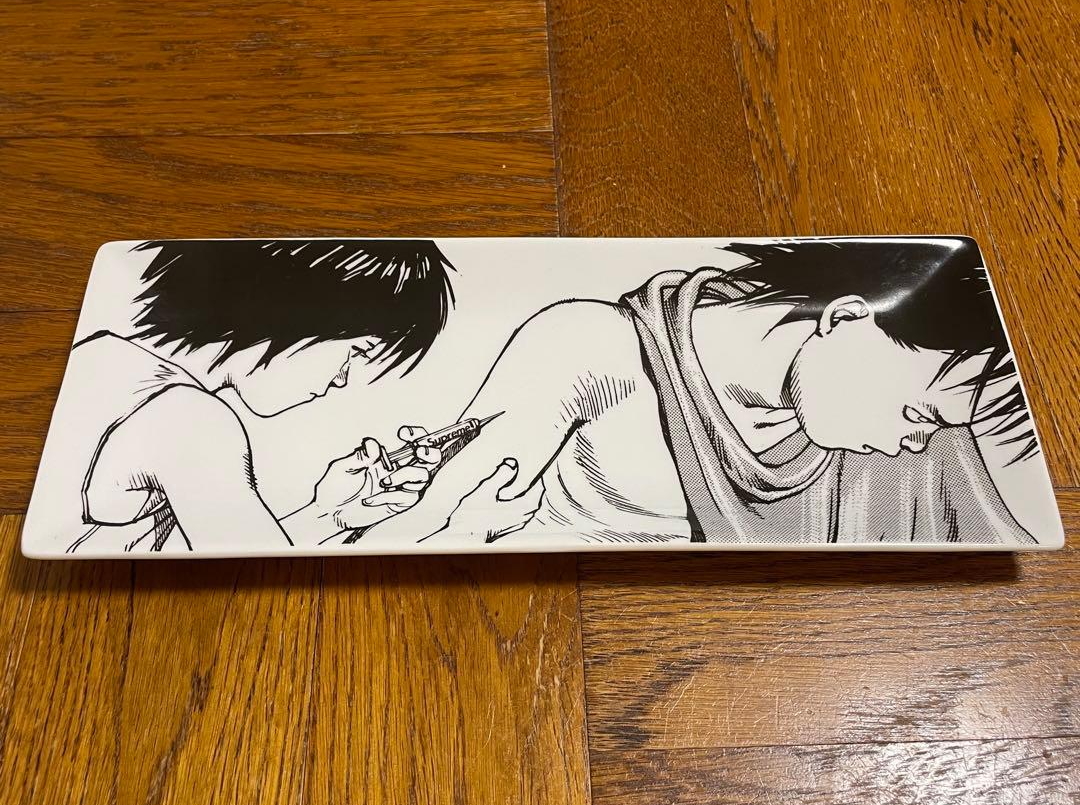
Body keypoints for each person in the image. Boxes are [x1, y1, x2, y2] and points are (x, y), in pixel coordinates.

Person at [363, 238, 1037, 547]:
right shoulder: (591, 350)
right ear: (846, 318)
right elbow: (432, 520)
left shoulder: (895, 449)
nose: (917, 443)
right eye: (918, 412)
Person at [32, 239, 526, 554]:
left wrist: (331, 512)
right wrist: (458, 524)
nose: (341, 379)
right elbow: (259, 584)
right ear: (300, 314)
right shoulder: (193, 421)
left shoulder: (104, 356)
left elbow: (235, 549)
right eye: (355, 351)